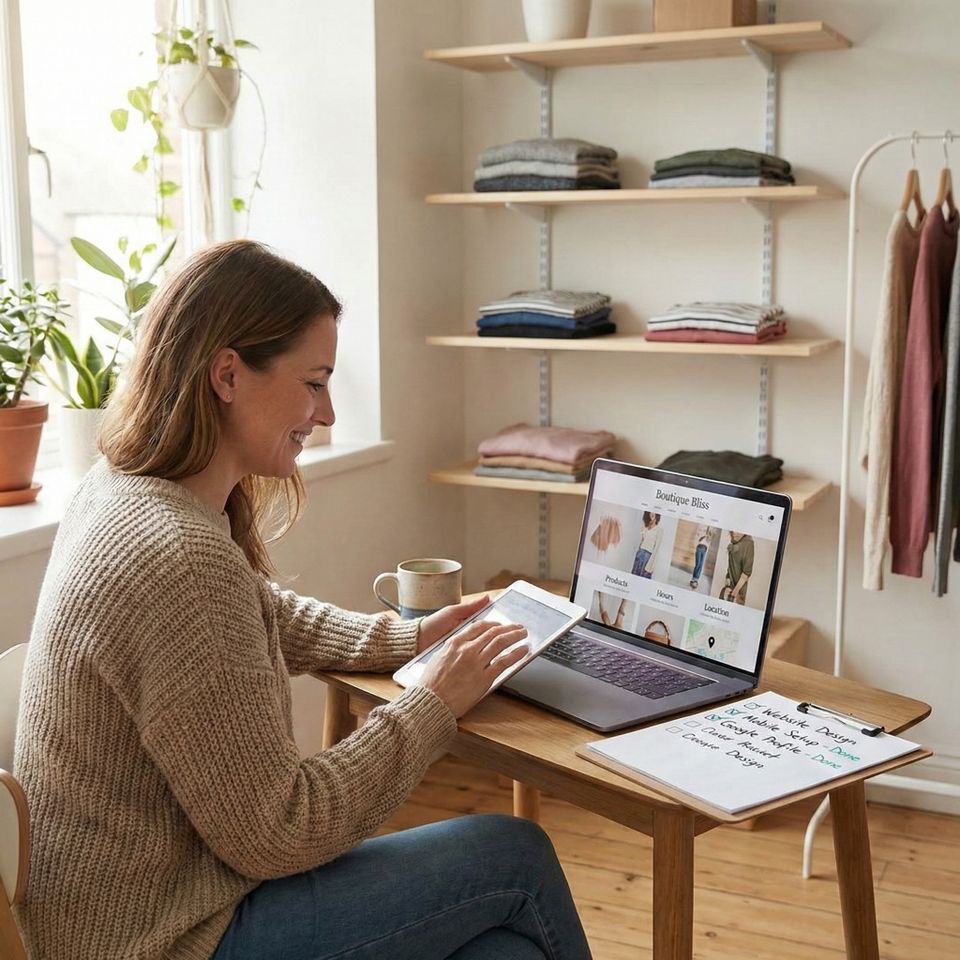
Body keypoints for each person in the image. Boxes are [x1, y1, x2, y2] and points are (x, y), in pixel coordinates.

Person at [13, 240, 592, 960]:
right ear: (228, 373)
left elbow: (258, 610)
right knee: (515, 857)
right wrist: (433, 702)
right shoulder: (176, 555)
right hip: (164, 938)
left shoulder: (123, 488)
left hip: (142, 909)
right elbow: (282, 831)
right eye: (314, 382)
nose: (327, 415)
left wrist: (408, 641)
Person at [720, 530, 755, 605]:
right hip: (728, 587)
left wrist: (734, 594)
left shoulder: (748, 544)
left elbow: (746, 572)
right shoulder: (734, 542)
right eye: (733, 530)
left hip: (738, 590)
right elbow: (730, 566)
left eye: (739, 531)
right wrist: (727, 585)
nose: (735, 533)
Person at [631, 511, 661, 579]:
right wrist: (638, 552)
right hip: (639, 554)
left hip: (648, 557)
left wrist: (651, 565)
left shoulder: (659, 530)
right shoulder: (645, 528)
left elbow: (656, 549)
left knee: (643, 579)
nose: (652, 513)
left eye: (654, 512)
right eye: (650, 512)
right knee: (633, 577)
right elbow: (641, 541)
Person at [689, 524, 715, 589]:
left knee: (701, 565)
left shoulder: (710, 532)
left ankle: (696, 580)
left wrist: (709, 536)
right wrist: (704, 536)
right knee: (697, 564)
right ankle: (693, 579)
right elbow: (698, 539)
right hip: (699, 548)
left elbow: (709, 542)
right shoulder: (701, 529)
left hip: (704, 549)